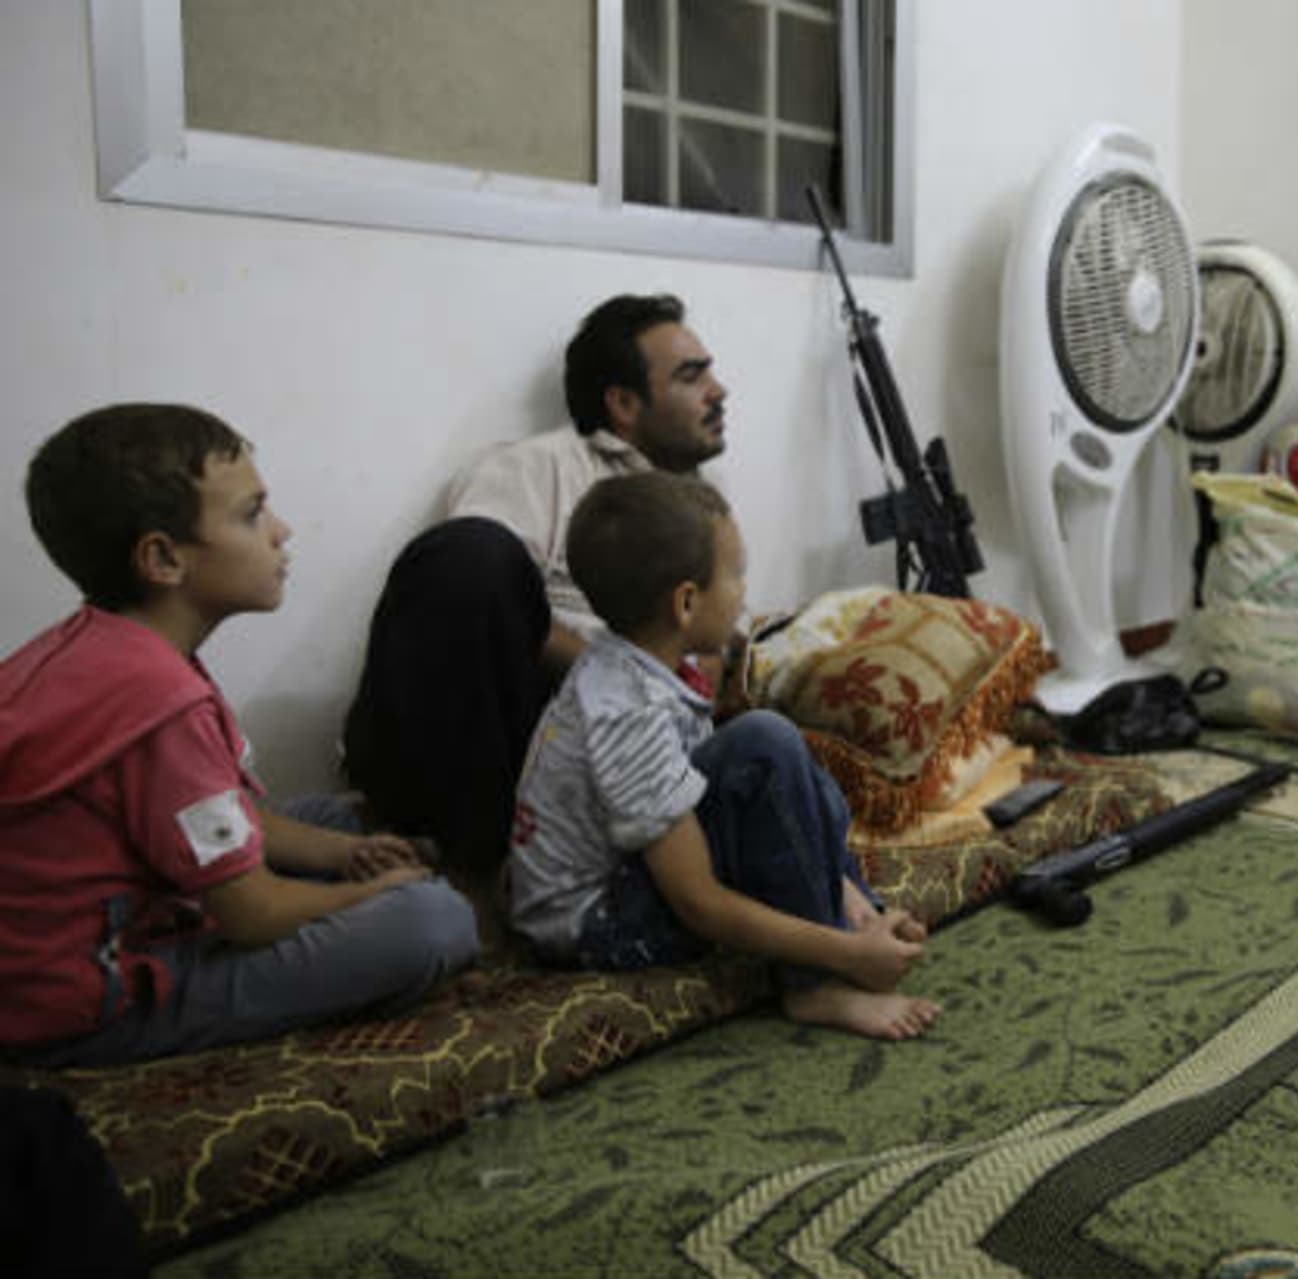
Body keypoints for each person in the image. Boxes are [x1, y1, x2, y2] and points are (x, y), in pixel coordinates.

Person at [0, 404, 480, 1068]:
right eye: (252, 514)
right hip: (85, 1003)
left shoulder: (102, 646)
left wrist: (345, 852)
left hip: (67, 935)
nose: (281, 532)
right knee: (433, 921)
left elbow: (234, 808)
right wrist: (365, 892)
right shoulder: (158, 702)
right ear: (164, 558)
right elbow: (251, 914)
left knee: (323, 817)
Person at [509, 472, 941, 1041]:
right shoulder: (626, 712)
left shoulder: (645, 665)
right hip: (599, 923)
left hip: (635, 875)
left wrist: (851, 898)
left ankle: (857, 917)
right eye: (735, 575)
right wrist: (843, 954)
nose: (744, 592)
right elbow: (698, 903)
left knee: (796, 771)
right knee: (765, 746)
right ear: (686, 602)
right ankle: (816, 985)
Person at [343, 294, 730, 883]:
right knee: (470, 554)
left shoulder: (699, 505)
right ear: (623, 403)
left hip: (629, 745)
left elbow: (706, 650)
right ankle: (466, 868)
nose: (718, 390)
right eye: (691, 376)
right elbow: (469, 603)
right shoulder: (538, 468)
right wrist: (619, 675)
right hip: (516, 730)